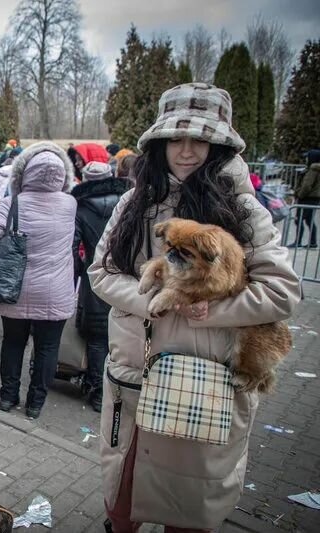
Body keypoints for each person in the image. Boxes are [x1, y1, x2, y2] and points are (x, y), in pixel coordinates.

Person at [89, 83, 300, 532]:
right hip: (135, 373)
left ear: (218, 144)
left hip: (205, 382)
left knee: (187, 504)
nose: (186, 151)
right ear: (159, 143)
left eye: (199, 139)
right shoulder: (134, 203)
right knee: (123, 496)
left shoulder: (243, 209)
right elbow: (100, 274)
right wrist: (155, 304)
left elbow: (282, 291)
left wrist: (208, 309)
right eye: (176, 139)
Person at [0, 142, 77, 419]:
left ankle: (8, 398)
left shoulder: (13, 203)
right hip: (56, 293)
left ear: (24, 174)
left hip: (15, 289)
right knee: (47, 349)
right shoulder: (70, 204)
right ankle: (35, 404)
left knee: (12, 343)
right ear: (63, 176)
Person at [70, 161, 132, 412]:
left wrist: (77, 271)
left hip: (94, 278)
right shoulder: (129, 203)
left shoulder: (80, 208)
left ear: (85, 179)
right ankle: (120, 393)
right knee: (124, 336)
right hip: (127, 278)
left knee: (97, 337)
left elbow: (73, 247)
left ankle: (97, 393)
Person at [288, 149, 320, 248]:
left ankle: (298, 241)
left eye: (307, 157)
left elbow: (306, 185)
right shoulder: (314, 169)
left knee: (299, 219)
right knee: (309, 220)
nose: (306, 159)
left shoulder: (313, 170)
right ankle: (313, 242)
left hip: (307, 198)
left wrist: (299, 194)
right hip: (313, 198)